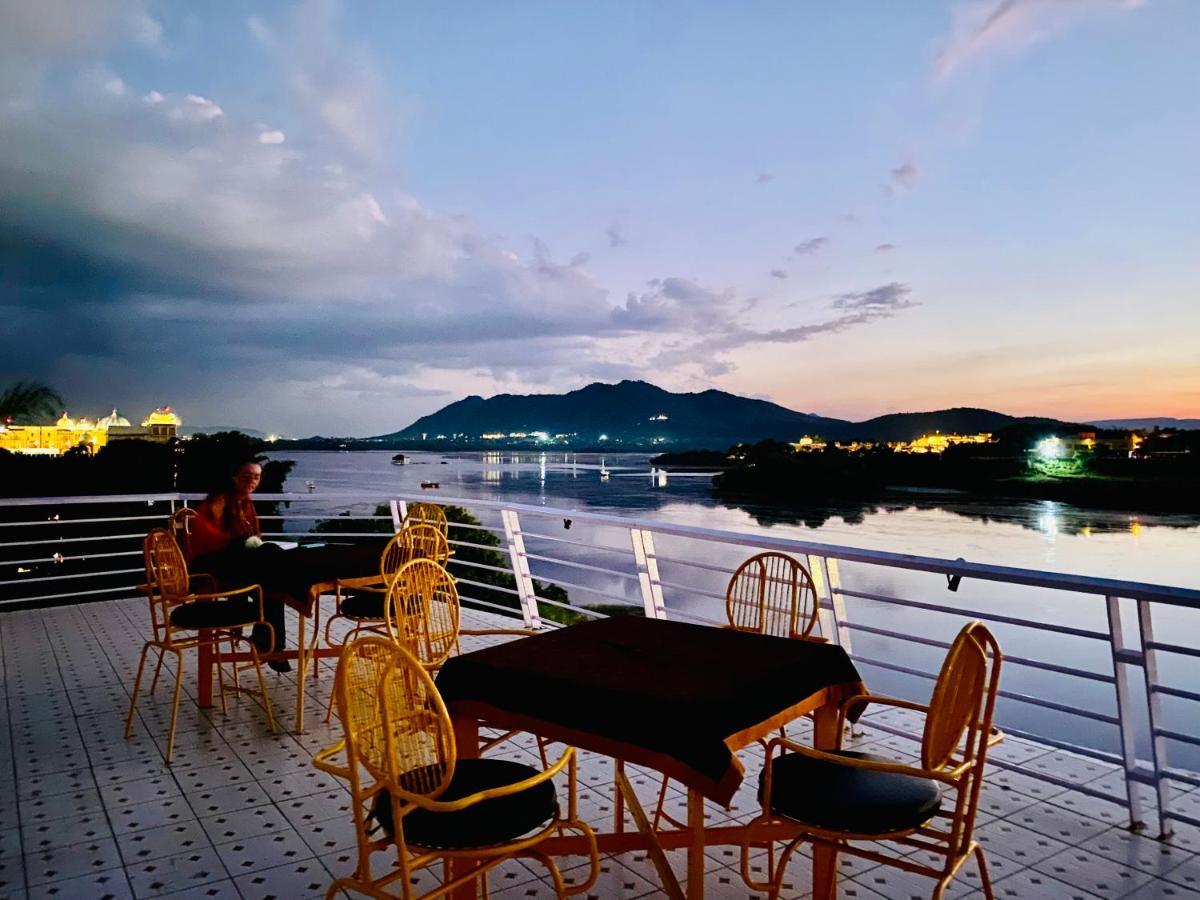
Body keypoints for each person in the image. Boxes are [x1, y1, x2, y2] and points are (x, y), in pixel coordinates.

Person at [189, 461, 290, 672]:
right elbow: (206, 537)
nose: (253, 481)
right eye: (247, 476)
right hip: (211, 567)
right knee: (270, 584)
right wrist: (239, 545)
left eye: (257, 476)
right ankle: (270, 646)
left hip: (235, 562)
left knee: (273, 587)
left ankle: (269, 645)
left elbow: (253, 538)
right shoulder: (220, 501)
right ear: (234, 477)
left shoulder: (246, 503)